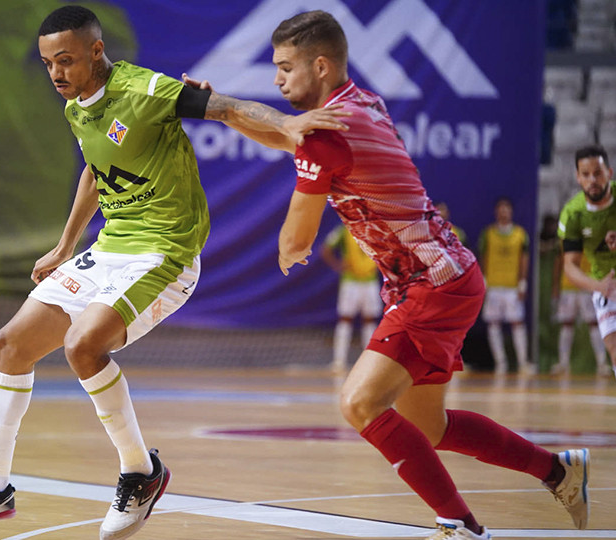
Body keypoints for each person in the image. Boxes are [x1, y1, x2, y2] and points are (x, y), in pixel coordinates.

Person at [0, 6, 347, 540]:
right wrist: (64, 245)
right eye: (49, 62)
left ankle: (140, 472)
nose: (56, 72)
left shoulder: (145, 91)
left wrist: (286, 123)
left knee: (83, 345)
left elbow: (226, 106)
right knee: (9, 345)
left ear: (97, 52)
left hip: (164, 253)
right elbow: (96, 174)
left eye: (67, 60)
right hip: (111, 249)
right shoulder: (77, 106)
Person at [186, 10, 588, 539]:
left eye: (285, 68)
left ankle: (460, 525)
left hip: (433, 282)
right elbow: (286, 137)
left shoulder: (326, 136)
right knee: (428, 428)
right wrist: (214, 110)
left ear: (321, 65)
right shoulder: (360, 102)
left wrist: (289, 250)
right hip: (442, 276)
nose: (277, 80)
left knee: (359, 401)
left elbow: (295, 240)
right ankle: (559, 471)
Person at [558, 144, 616, 395]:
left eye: (597, 173)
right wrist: (598, 286)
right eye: (585, 175)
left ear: (609, 172)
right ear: (577, 177)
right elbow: (570, 267)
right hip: (608, 288)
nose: (592, 180)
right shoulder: (573, 214)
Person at [477, 197, 534, 374]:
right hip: (493, 286)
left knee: (517, 322)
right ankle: (500, 363)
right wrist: (483, 281)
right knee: (493, 324)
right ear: (496, 212)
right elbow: (483, 258)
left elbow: (524, 260)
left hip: (512, 287)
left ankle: (523, 362)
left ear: (511, 211)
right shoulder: (488, 234)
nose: (504, 212)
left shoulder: (520, 234)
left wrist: (523, 283)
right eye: (501, 209)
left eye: (507, 209)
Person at [320, 224, 381, 371]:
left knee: (370, 320)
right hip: (350, 283)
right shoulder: (342, 230)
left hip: (370, 282)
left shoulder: (376, 229)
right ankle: (339, 362)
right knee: (345, 319)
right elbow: (325, 249)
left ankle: (369, 362)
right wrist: (338, 265)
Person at [551, 255, 610, 375]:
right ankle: (563, 363)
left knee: (593, 323)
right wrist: (556, 286)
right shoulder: (565, 238)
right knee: (567, 324)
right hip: (568, 286)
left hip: (587, 286)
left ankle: (602, 363)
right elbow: (559, 261)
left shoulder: (591, 237)